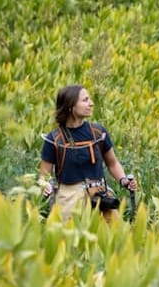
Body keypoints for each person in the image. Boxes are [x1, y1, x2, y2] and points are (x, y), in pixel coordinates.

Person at [39, 84, 137, 221]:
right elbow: (44, 175)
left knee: (115, 239)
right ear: (70, 106)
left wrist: (123, 180)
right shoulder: (54, 139)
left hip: (100, 195)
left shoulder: (98, 132)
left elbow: (112, 163)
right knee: (72, 241)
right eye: (85, 100)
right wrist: (45, 185)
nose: (91, 104)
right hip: (69, 199)